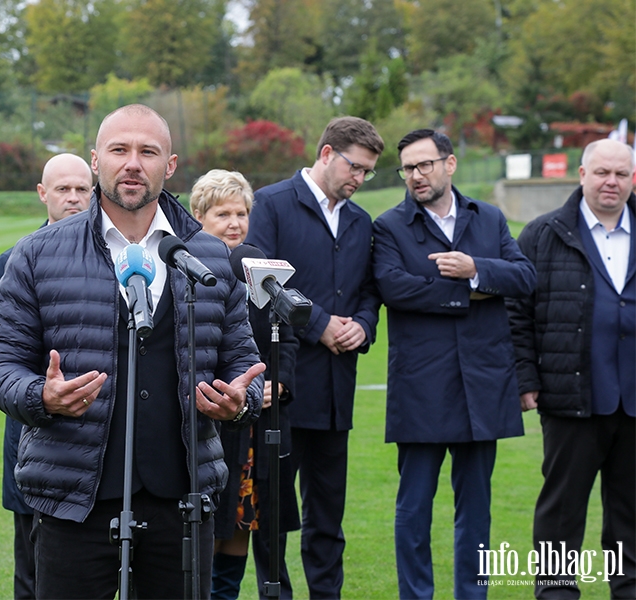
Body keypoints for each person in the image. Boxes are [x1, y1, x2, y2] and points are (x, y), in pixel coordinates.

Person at [0, 104, 266, 599]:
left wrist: (243, 399)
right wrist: (38, 395)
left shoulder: (212, 256)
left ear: (170, 166)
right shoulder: (37, 253)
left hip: (183, 501)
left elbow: (242, 360)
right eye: (119, 150)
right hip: (73, 500)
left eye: (147, 151)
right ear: (96, 161)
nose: (132, 163)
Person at [371, 129, 536, 599]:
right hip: (421, 388)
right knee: (414, 510)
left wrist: (476, 268)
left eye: (424, 165)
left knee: (477, 512)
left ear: (450, 164)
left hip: (483, 385)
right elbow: (394, 288)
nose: (416, 175)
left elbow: (524, 276)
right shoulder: (389, 227)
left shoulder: (490, 218)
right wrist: (472, 290)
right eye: (408, 168)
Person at [244, 116, 384, 598]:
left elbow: (369, 290)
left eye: (368, 173)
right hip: (283, 385)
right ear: (326, 154)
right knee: (274, 514)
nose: (360, 179)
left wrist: (363, 325)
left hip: (336, 390)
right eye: (355, 167)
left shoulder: (361, 220)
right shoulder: (271, 203)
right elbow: (262, 279)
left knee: (329, 516)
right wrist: (321, 323)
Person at [506, 138, 635, 599]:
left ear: (633, 179)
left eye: (621, 174)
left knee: (631, 514)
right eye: (602, 172)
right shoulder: (542, 234)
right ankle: (557, 593)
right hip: (569, 397)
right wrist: (526, 378)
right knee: (562, 513)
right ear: (581, 175)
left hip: (634, 401)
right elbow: (515, 313)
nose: (611, 182)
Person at [0, 152, 92, 600]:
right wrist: (41, 396)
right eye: (63, 189)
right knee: (34, 576)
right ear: (43, 194)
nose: (73, 198)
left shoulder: (125, 259)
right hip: (38, 445)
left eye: (82, 189)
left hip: (105, 448)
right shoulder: (14, 262)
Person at [188, 169, 300, 600]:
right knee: (210, 522)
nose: (235, 222)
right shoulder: (189, 270)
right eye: (223, 213)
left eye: (241, 213)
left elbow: (287, 335)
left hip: (259, 423)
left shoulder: (263, 269)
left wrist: (278, 383)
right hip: (211, 420)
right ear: (199, 216)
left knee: (243, 519)